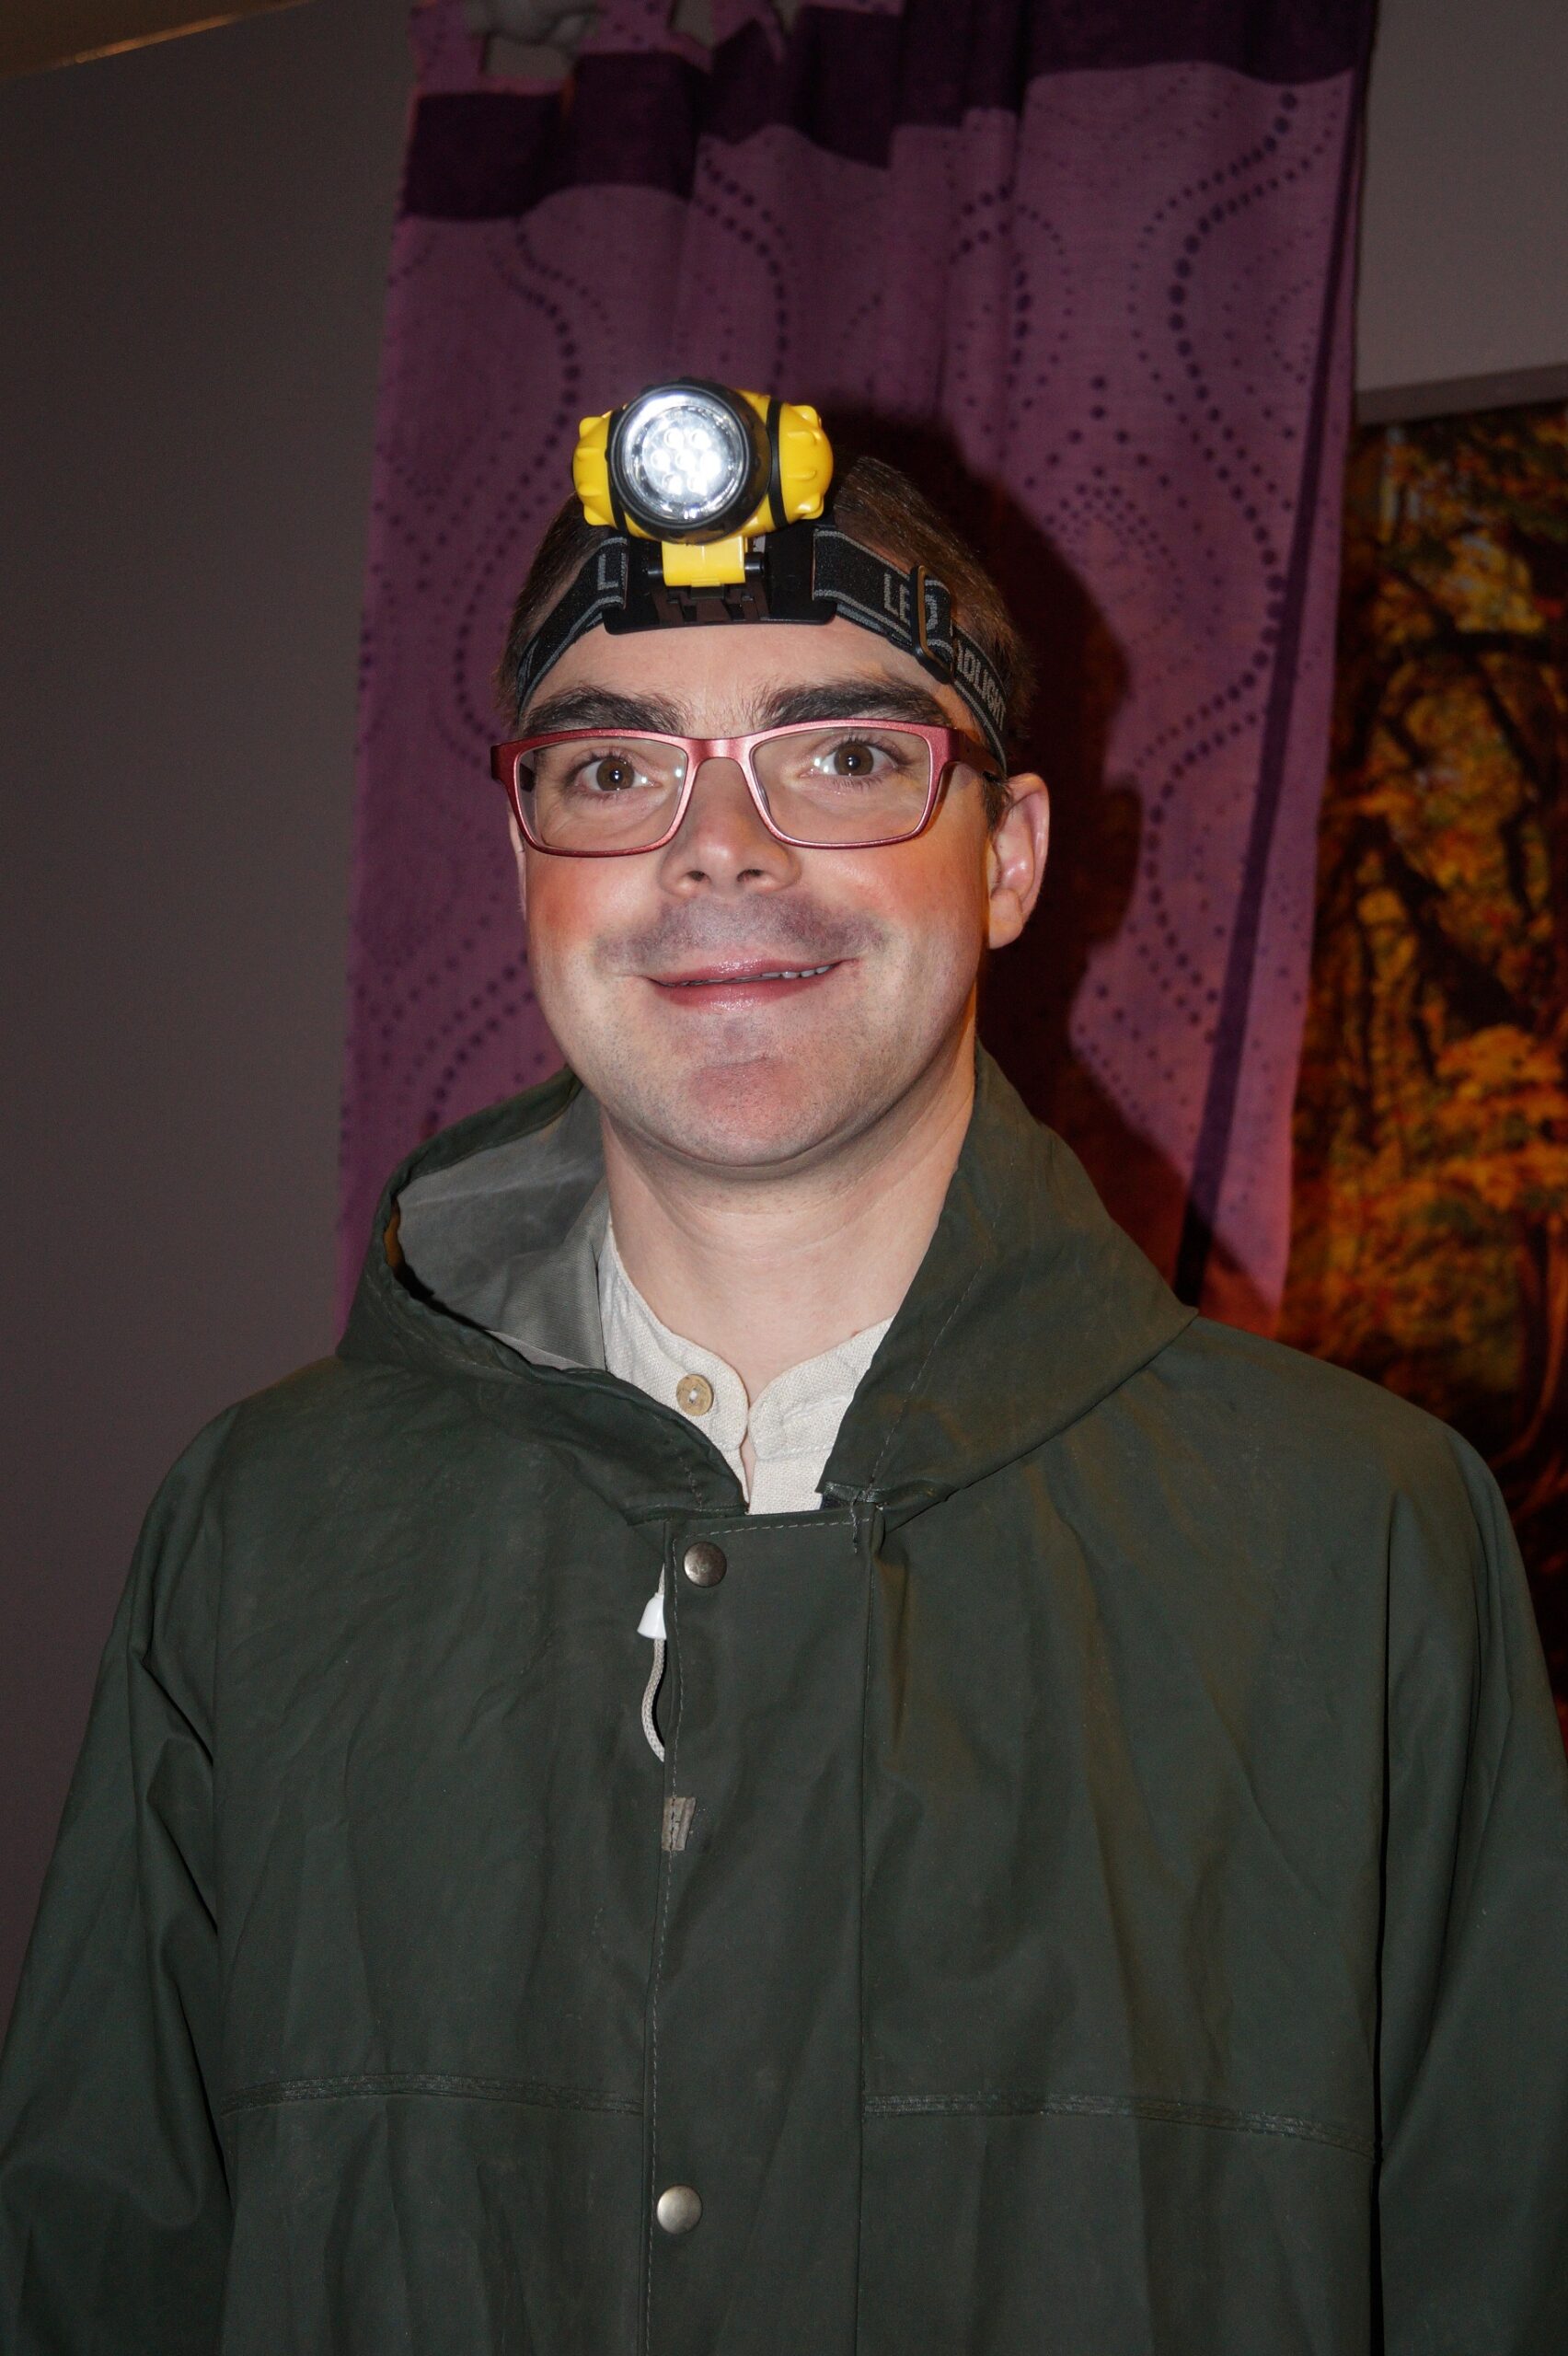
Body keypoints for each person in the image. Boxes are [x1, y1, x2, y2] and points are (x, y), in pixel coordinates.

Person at [2, 385, 1565, 2356]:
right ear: (524, 857)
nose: (721, 850)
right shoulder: (260, 1533)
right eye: (613, 769)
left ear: (1011, 855)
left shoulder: (1362, 1542)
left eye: (843, 756)